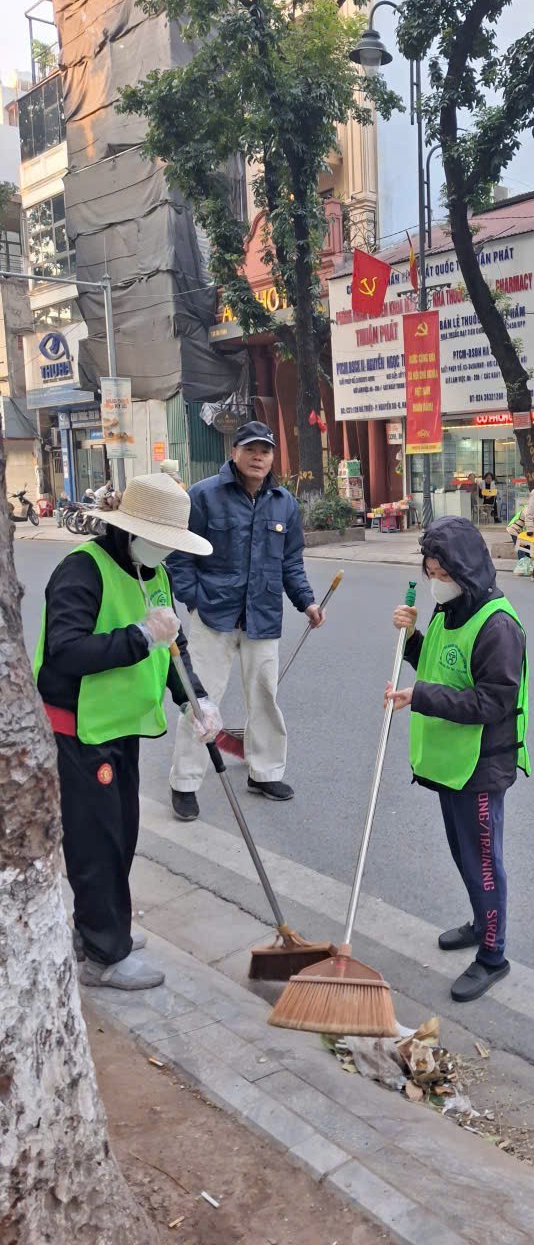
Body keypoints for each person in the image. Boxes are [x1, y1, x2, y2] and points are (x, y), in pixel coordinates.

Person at [34, 474, 221, 990]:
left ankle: (99, 928)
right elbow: (64, 653)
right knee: (96, 844)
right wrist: (138, 636)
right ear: (129, 528)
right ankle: (104, 955)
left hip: (121, 727)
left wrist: (196, 700)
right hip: (79, 729)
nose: (165, 550)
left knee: (122, 836)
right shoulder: (82, 571)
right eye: (159, 539)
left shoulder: (152, 571)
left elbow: (173, 651)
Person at [386, 517, 529, 1003]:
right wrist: (411, 641)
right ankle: (480, 923)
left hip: (481, 767)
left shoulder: (498, 626)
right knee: (466, 856)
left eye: (442, 574)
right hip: (451, 763)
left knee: (483, 862)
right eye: (429, 572)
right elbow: (438, 667)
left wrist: (419, 696)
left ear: (465, 571)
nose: (434, 583)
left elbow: (493, 703)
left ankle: (493, 955)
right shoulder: (451, 614)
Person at [165, 421, 324, 820]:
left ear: (272, 457)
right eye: (251, 449)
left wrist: (306, 602)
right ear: (234, 451)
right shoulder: (203, 496)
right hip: (213, 618)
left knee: (265, 698)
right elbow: (179, 556)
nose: (258, 457)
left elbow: (290, 561)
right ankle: (184, 783)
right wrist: (194, 600)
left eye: (266, 451)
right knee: (201, 703)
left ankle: (265, 772)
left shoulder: (283, 502)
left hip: (262, 617)